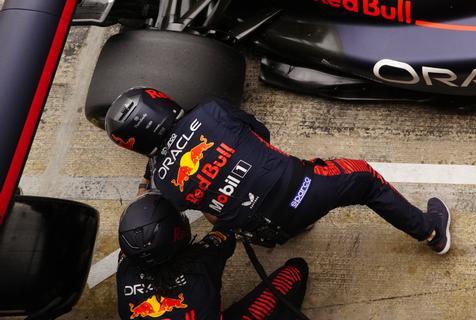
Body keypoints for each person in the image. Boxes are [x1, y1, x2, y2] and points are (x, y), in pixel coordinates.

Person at [105, 88, 451, 252]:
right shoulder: (211, 110)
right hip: (304, 190)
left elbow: (160, 208)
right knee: (364, 178)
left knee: (213, 209)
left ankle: (294, 227)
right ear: (160, 102)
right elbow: (263, 134)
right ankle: (431, 233)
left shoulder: (164, 184)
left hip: (268, 234)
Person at [117, 192, 309, 320]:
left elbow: (137, 241)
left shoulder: (125, 270)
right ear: (179, 233)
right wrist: (200, 194)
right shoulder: (203, 258)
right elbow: (225, 228)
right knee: (295, 271)